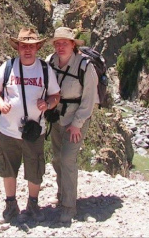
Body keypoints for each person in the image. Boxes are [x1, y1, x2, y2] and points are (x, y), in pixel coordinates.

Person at [0, 27, 61, 223]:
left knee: (35, 169)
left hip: (34, 131)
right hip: (8, 130)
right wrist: (0, 104)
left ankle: (33, 204)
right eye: (23, 46)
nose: (27, 50)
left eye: (31, 46)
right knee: (8, 168)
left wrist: (47, 104)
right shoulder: (7, 67)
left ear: (37, 47)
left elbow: (56, 95)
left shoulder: (45, 70)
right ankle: (11, 205)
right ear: (18, 48)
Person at [47, 27, 98, 223]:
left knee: (68, 159)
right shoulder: (51, 61)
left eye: (65, 43)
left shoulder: (85, 66)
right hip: (57, 117)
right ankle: (62, 194)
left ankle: (69, 206)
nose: (60, 47)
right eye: (57, 43)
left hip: (77, 119)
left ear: (73, 45)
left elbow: (89, 99)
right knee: (57, 159)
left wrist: (77, 124)